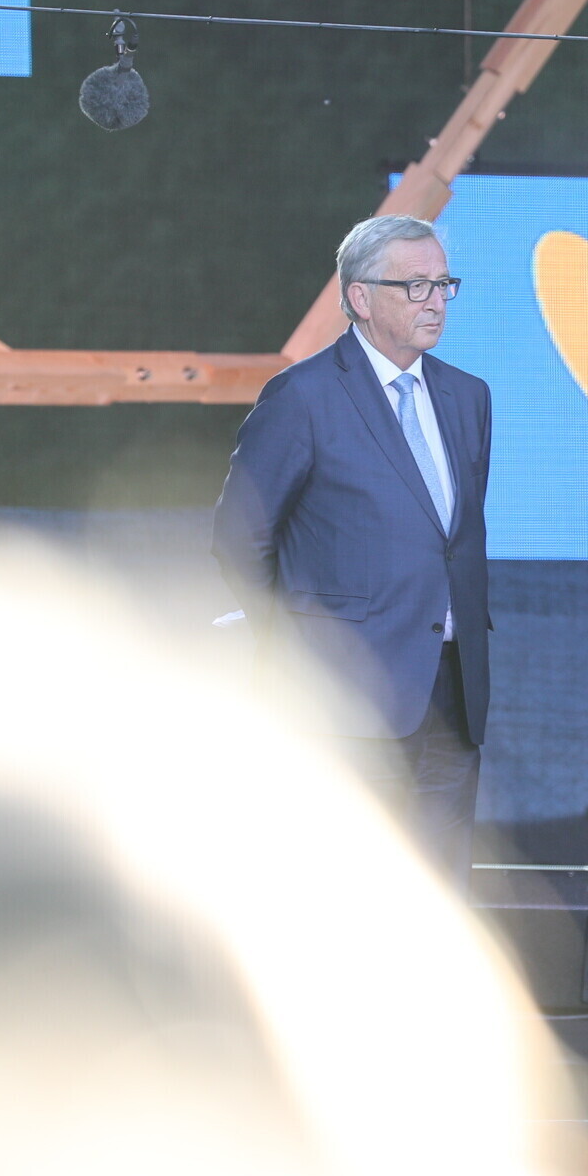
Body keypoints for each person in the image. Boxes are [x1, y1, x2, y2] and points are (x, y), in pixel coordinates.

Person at [213, 214, 492, 880]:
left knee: (439, 897)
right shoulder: (303, 395)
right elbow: (239, 536)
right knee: (345, 892)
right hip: (344, 697)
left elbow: (450, 540)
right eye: (416, 286)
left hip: (451, 694)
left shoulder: (468, 397)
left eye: (444, 284)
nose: (436, 301)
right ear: (360, 297)